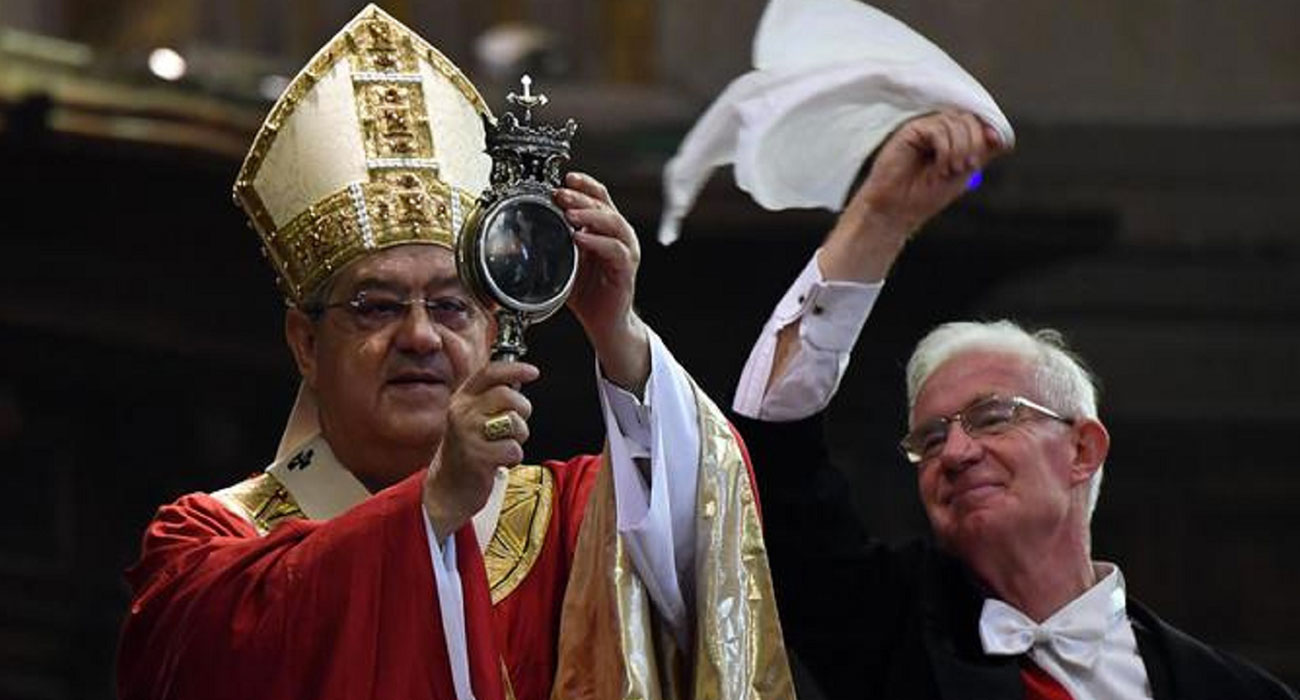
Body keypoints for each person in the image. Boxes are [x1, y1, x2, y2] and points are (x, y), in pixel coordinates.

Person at [117, 7, 791, 700]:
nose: (419, 336)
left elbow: (709, 546)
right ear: (306, 344)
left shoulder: (572, 522)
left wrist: (618, 333)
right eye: (377, 306)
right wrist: (432, 507)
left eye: (450, 306)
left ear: (493, 330)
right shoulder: (207, 541)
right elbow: (213, 654)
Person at [733, 110, 1297, 699]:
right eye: (930, 438)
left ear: (1082, 449)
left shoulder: (1232, 692)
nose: (955, 452)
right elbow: (771, 457)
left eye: (992, 417)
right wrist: (880, 215)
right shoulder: (888, 629)